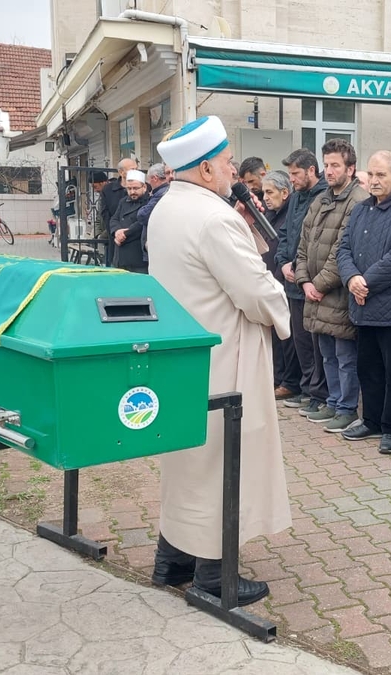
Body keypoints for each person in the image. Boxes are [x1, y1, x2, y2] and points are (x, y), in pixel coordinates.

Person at [147, 115, 291, 607]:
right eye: (228, 163)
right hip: (225, 357)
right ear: (206, 169)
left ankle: (172, 560)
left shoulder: (166, 207)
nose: (235, 172)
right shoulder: (215, 217)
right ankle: (214, 575)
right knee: (221, 462)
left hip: (185, 357)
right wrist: (280, 302)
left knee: (187, 460)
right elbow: (255, 290)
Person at [336, 151, 391, 453]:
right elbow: (343, 248)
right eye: (370, 175)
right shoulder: (360, 209)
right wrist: (351, 279)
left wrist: (365, 282)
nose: (374, 181)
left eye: (381, 175)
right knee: (368, 369)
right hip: (363, 306)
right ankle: (371, 420)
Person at [295, 139, 369, 433]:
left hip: (338, 293)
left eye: (335, 165)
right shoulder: (321, 199)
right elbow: (304, 244)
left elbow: (343, 250)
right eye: (326, 165)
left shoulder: (358, 201)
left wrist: (319, 284)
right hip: (315, 291)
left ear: (351, 168)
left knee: (344, 355)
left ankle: (347, 408)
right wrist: (303, 280)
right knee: (326, 352)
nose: (329, 171)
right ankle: (333, 400)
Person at [276, 150, 330, 414]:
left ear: (311, 171)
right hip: (291, 280)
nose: (292, 179)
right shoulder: (296, 197)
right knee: (300, 342)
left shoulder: (324, 196)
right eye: (289, 174)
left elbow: (317, 242)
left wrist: (299, 269)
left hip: (310, 281)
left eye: (295, 173)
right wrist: (283, 261)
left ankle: (317, 392)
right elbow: (285, 233)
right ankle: (308, 389)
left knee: (314, 343)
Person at [263, 170, 301, 401]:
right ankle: (278, 377)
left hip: (284, 282)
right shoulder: (271, 214)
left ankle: (290, 381)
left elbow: (287, 246)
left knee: (288, 336)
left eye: (270, 192)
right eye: (264, 192)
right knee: (276, 336)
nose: (266, 197)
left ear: (285, 193)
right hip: (271, 280)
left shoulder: (290, 214)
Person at [109, 169, 150, 273]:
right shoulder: (123, 201)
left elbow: (141, 223)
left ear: (144, 187)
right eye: (129, 188)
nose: (132, 192)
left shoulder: (149, 202)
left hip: (137, 258)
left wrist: (124, 234)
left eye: (135, 188)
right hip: (120, 256)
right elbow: (114, 218)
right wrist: (117, 231)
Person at [137, 163, 174, 264]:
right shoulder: (162, 192)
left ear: (154, 178)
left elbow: (143, 216)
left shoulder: (161, 193)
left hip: (158, 247)